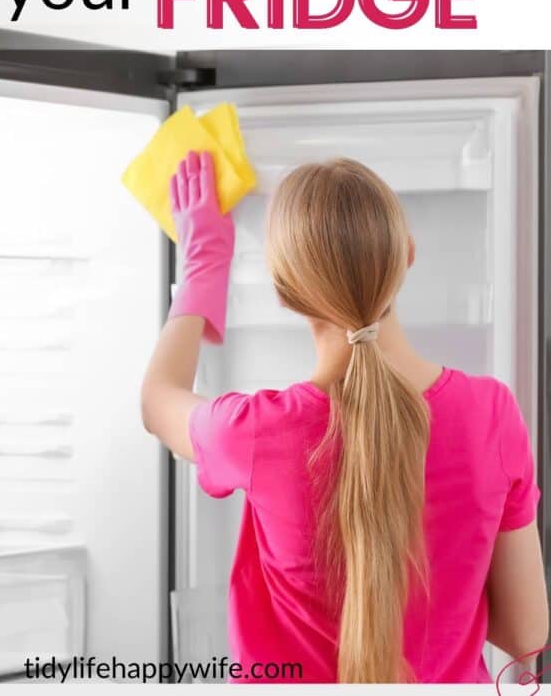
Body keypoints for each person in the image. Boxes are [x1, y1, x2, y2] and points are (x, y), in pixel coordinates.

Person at [141, 150, 548, 683]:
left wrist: (203, 264)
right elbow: (525, 633)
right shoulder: (490, 414)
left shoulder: (257, 431)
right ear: (407, 254)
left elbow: (157, 399)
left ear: (284, 293)